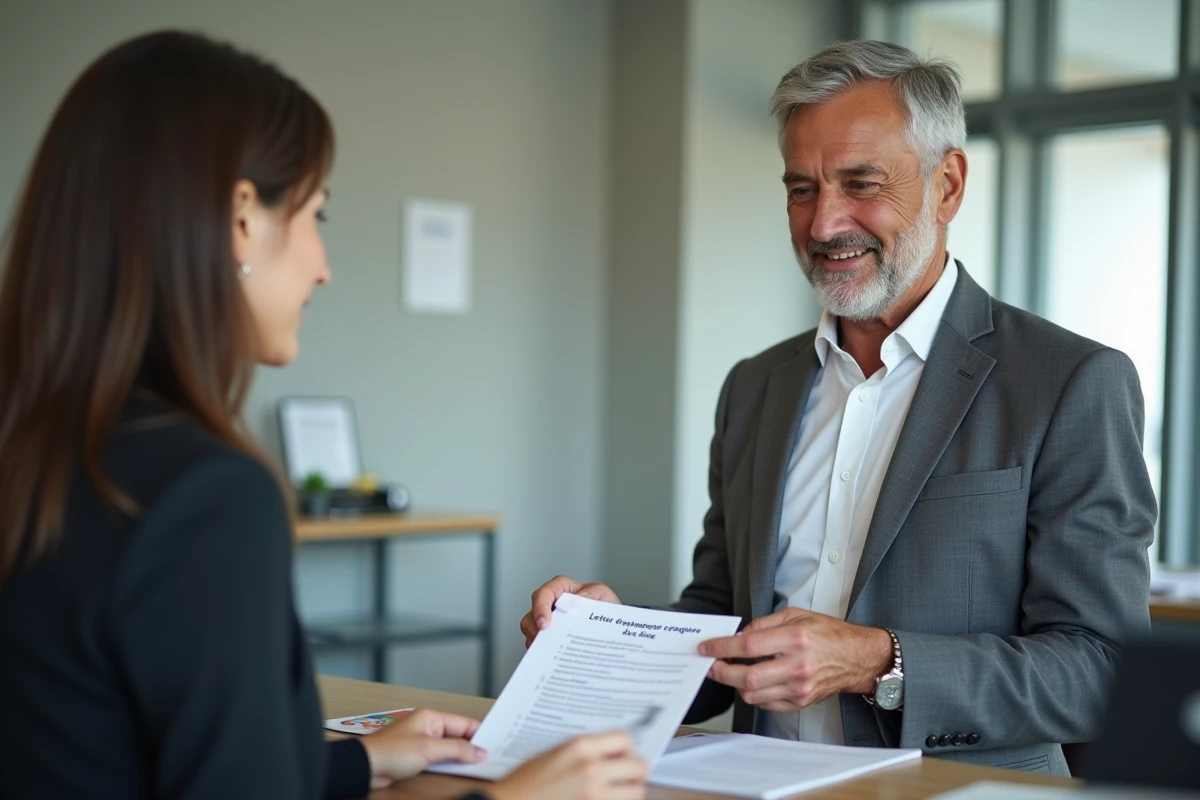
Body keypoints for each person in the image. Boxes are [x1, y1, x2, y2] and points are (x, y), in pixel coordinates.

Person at [0, 30, 646, 800]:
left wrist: (357, 761)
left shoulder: (37, 447)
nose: (323, 265)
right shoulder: (205, 494)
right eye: (315, 215)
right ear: (242, 218)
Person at [521, 40, 1155, 777]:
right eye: (801, 189)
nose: (824, 225)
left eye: (860, 184)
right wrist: (611, 638)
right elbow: (723, 614)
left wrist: (878, 663)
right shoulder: (755, 387)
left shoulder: (1070, 382)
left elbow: (1100, 670)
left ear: (947, 185)